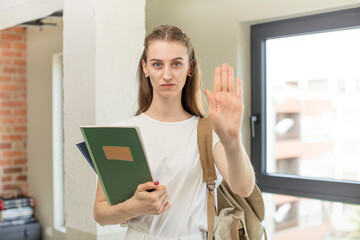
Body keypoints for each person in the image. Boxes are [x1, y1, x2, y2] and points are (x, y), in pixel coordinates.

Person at [93, 25, 255, 240]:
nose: (167, 74)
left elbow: (243, 188)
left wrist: (232, 139)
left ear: (190, 67)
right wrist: (134, 206)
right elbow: (101, 214)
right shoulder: (120, 133)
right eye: (157, 64)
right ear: (145, 67)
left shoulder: (207, 132)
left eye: (176, 64)